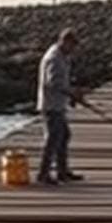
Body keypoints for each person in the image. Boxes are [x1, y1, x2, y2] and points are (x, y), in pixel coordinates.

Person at [36, 28, 86, 185]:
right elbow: (53, 83)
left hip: (59, 104)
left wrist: (70, 96)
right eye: (72, 45)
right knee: (53, 139)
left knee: (64, 136)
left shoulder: (63, 56)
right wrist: (71, 93)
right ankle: (43, 173)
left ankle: (62, 171)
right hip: (51, 105)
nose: (73, 50)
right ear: (64, 42)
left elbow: (62, 81)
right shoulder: (54, 58)